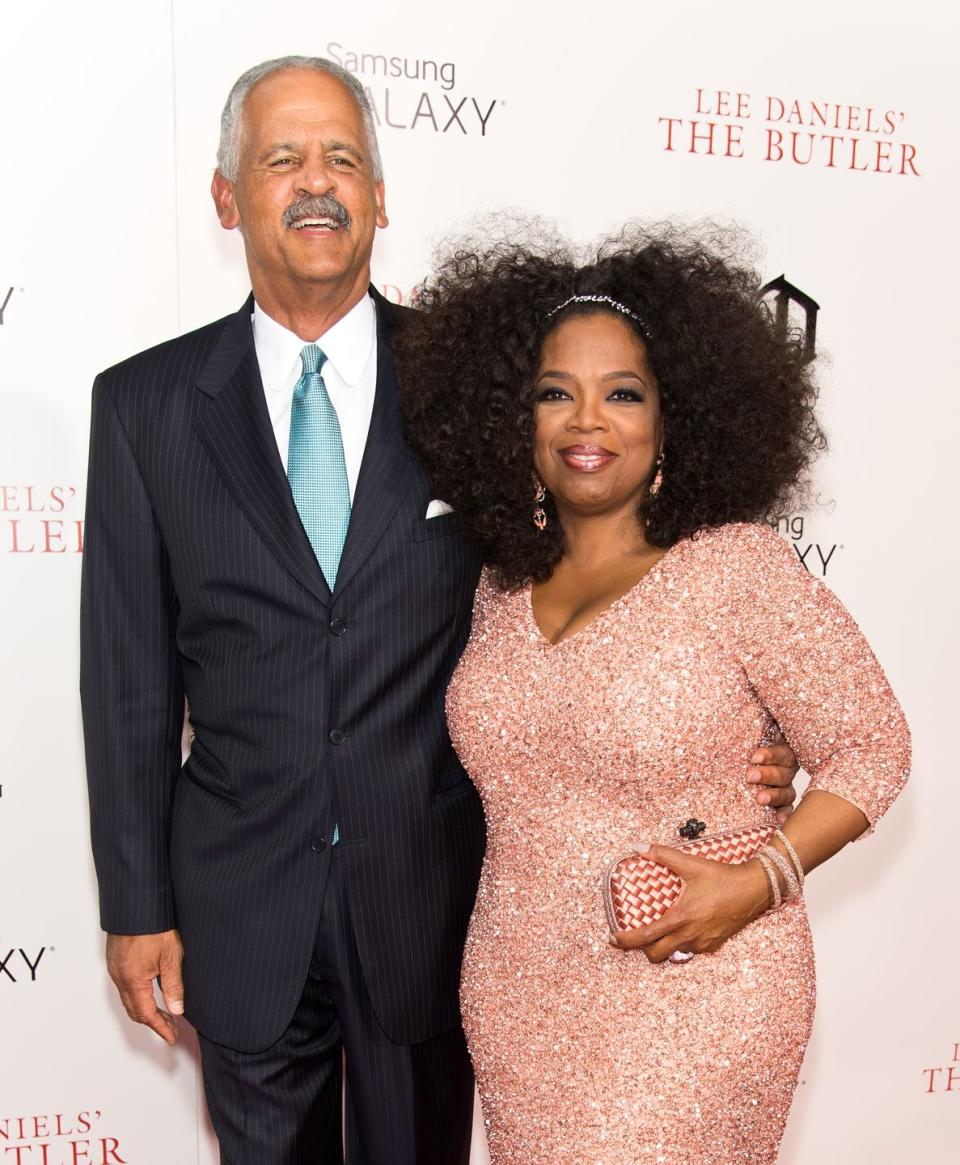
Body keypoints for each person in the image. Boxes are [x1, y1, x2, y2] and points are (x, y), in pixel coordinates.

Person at [79, 58, 799, 1165]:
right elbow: (126, 677)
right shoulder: (143, 406)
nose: (316, 184)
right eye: (282, 159)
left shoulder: (480, 386)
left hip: (439, 898)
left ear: (379, 194)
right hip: (239, 904)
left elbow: (624, 558)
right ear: (227, 198)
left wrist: (751, 723)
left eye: (343, 160)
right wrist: (135, 905)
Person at [397, 226, 910, 1164]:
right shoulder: (499, 586)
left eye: (623, 394)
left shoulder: (735, 568)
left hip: (698, 986)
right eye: (556, 393)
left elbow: (875, 745)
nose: (586, 420)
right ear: (518, 420)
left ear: (675, 420)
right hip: (520, 998)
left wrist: (759, 881)